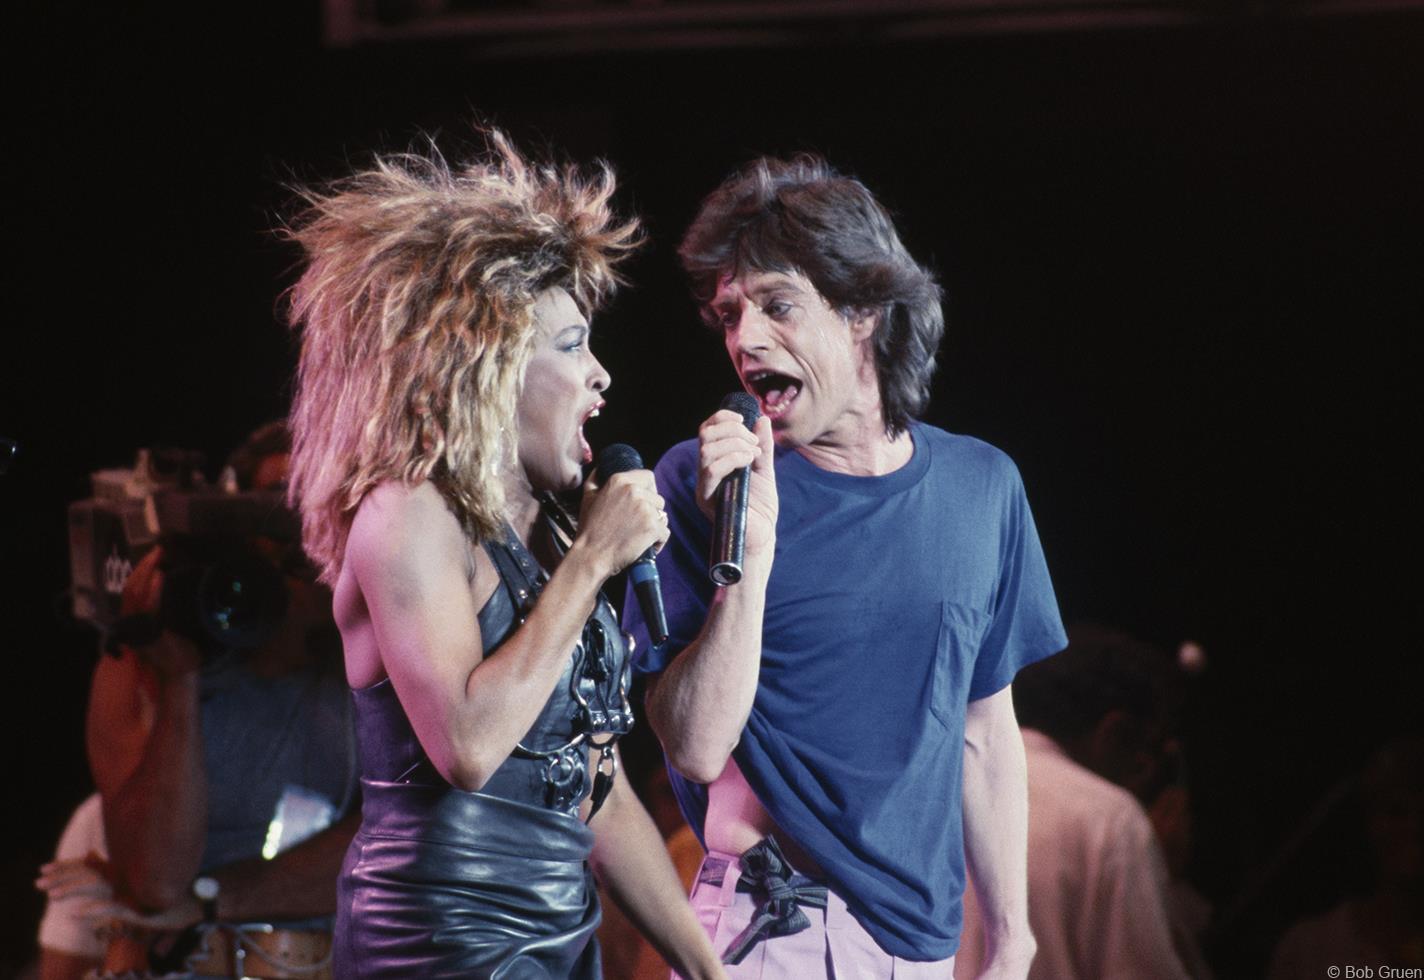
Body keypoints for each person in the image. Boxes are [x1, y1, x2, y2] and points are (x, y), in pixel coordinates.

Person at [284, 130, 725, 978]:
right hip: (439, 952)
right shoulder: (407, 513)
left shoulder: (550, 535)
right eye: (571, 345)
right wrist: (591, 563)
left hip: (558, 944)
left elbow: (594, 790)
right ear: (483, 364)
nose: (600, 374)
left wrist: (707, 970)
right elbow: (467, 746)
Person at [625, 155, 1066, 977]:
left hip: (924, 947)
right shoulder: (703, 483)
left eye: (777, 305)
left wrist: (1012, 937)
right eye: (730, 314)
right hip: (772, 930)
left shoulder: (982, 487)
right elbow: (694, 745)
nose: (746, 339)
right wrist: (750, 553)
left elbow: (984, 730)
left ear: (863, 309)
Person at [38, 422, 359, 980]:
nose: (295, 525)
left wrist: (210, 898)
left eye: (320, 499)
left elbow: (403, 842)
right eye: (274, 503)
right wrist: (180, 681)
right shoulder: (146, 659)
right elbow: (156, 882)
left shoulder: (370, 658)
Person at [954, 624, 1205, 980]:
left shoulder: (929, 785)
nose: (1145, 772)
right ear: (1114, 733)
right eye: (1147, 751)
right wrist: (1160, 877)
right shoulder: (1106, 818)